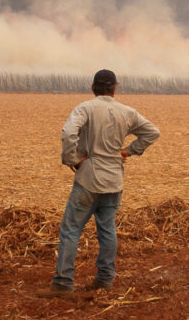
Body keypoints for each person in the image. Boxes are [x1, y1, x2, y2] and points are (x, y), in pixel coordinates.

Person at [37, 69, 160, 297]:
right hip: (114, 180)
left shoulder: (85, 108)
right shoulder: (127, 112)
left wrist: (71, 159)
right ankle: (105, 280)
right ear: (115, 88)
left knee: (71, 230)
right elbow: (153, 132)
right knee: (107, 230)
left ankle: (63, 283)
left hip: (88, 179)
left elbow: (68, 133)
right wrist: (129, 151)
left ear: (93, 87)